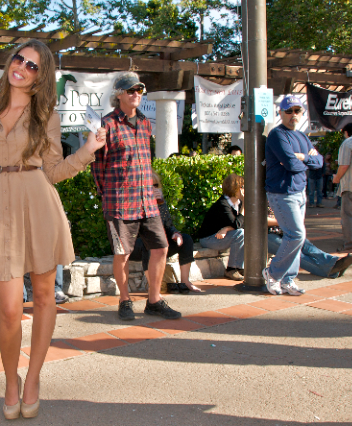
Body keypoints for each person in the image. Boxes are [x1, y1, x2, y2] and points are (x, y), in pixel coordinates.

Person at [0, 39, 106, 420]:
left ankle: (32, 378)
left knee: (44, 297)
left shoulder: (46, 115)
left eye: (32, 66)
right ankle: (10, 381)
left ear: (40, 77)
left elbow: (54, 171)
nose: (22, 67)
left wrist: (88, 150)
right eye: (19, 59)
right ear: (10, 62)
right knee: (10, 309)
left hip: (39, 202)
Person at [92, 71, 181, 322]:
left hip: (147, 201)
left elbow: (146, 162)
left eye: (139, 90)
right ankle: (124, 300)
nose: (136, 94)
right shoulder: (106, 124)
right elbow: (97, 166)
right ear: (119, 94)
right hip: (119, 203)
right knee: (122, 254)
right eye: (130, 90)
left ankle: (154, 301)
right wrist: (107, 196)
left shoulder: (145, 123)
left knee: (161, 248)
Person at [263, 95, 323, 295]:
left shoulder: (302, 137)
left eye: (297, 110)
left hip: (299, 192)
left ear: (302, 113)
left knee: (296, 236)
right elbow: (291, 164)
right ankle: (272, 273)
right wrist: (306, 160)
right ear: (280, 113)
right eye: (289, 111)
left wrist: (301, 157)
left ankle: (288, 280)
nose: (293, 114)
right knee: (296, 235)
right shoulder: (277, 135)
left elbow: (320, 162)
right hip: (282, 193)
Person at [130, 172, 200, 293]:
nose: (153, 188)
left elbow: (168, 225)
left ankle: (185, 282)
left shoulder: (160, 202)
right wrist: (149, 203)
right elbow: (138, 230)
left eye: (156, 185)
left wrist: (175, 234)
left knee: (186, 239)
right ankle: (153, 288)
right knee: (149, 243)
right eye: (149, 186)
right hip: (136, 245)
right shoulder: (133, 203)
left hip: (158, 244)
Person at [267, 209, 352, 278]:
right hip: (263, 236)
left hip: (279, 230)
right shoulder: (259, 195)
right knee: (290, 250)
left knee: (305, 245)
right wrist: (282, 222)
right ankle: (329, 270)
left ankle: (331, 261)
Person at [197, 174, 245, 281]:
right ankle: (231, 269)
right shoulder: (223, 204)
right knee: (240, 234)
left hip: (224, 236)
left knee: (244, 233)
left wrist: (226, 229)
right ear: (234, 188)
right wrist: (245, 204)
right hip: (209, 238)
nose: (244, 190)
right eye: (242, 187)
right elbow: (236, 224)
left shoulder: (239, 203)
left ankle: (240, 268)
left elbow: (243, 223)